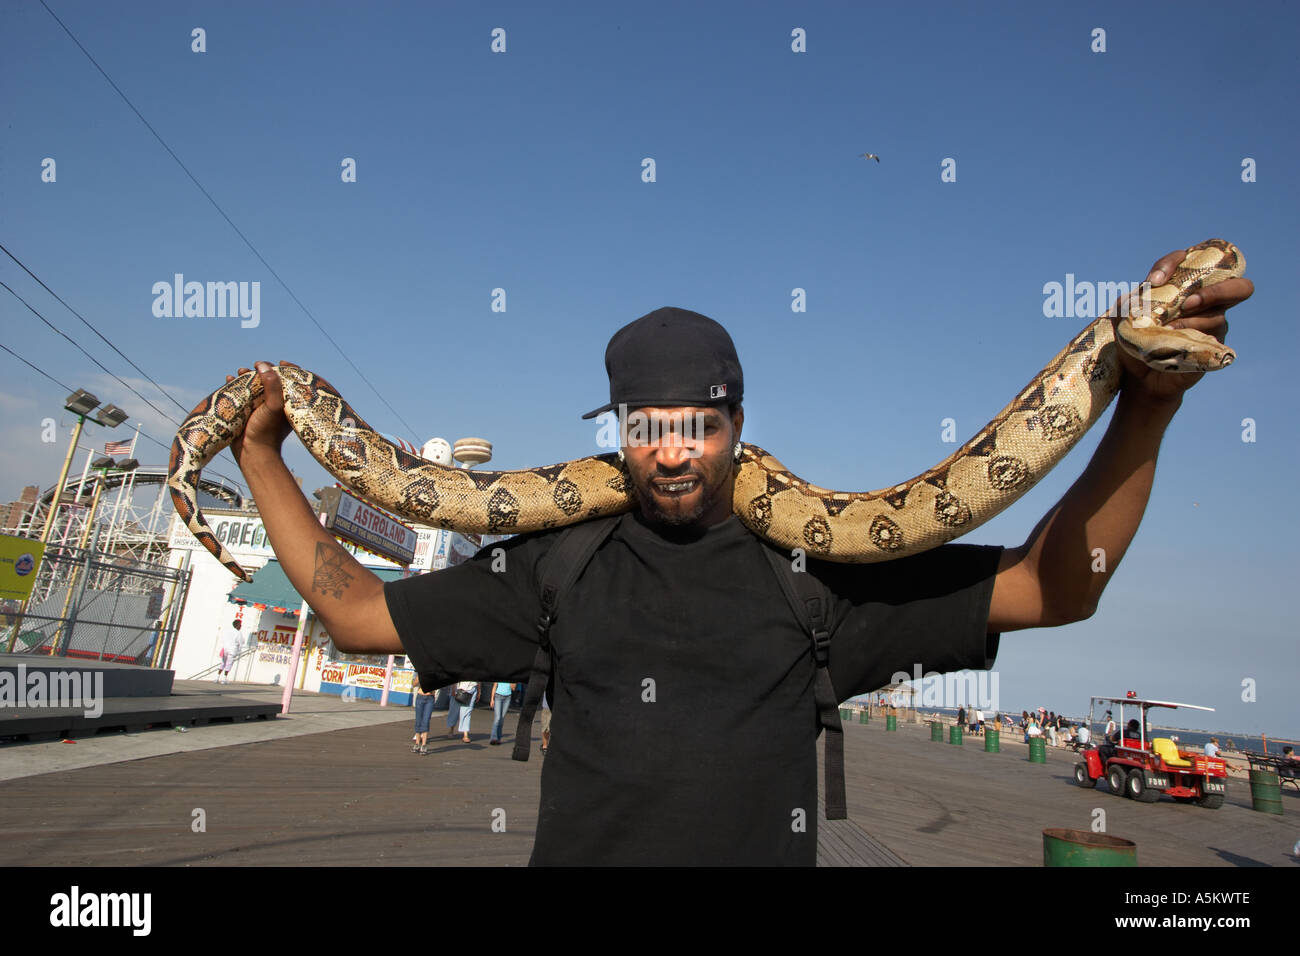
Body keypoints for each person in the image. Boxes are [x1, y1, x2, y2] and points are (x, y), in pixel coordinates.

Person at [222, 259, 1250, 865]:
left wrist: (1144, 404)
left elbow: (1057, 586)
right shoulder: (556, 562)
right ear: (621, 433)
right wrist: (262, 452)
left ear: (736, 426)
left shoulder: (817, 574)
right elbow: (355, 610)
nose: (672, 449)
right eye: (649, 426)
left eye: (697, 424)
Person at [412, 674, 436, 754]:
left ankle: (424, 745)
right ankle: (417, 743)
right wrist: (418, 679)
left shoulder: (436, 674)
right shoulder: (422, 673)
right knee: (418, 720)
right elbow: (414, 684)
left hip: (430, 698)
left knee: (426, 720)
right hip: (420, 697)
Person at [489, 681, 515, 745]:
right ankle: (493, 738)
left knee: (502, 718)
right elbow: (494, 686)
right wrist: (492, 699)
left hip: (507, 697)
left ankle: (498, 738)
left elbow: (513, 688)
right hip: (498, 696)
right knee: (497, 718)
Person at [217, 618, 243, 684]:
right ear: (237, 625)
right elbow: (241, 642)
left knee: (223, 663)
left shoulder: (228, 631)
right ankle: (224, 679)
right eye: (240, 625)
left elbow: (223, 638)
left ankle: (217, 677)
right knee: (229, 664)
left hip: (225, 649)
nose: (241, 626)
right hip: (232, 650)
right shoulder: (238, 633)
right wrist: (239, 650)